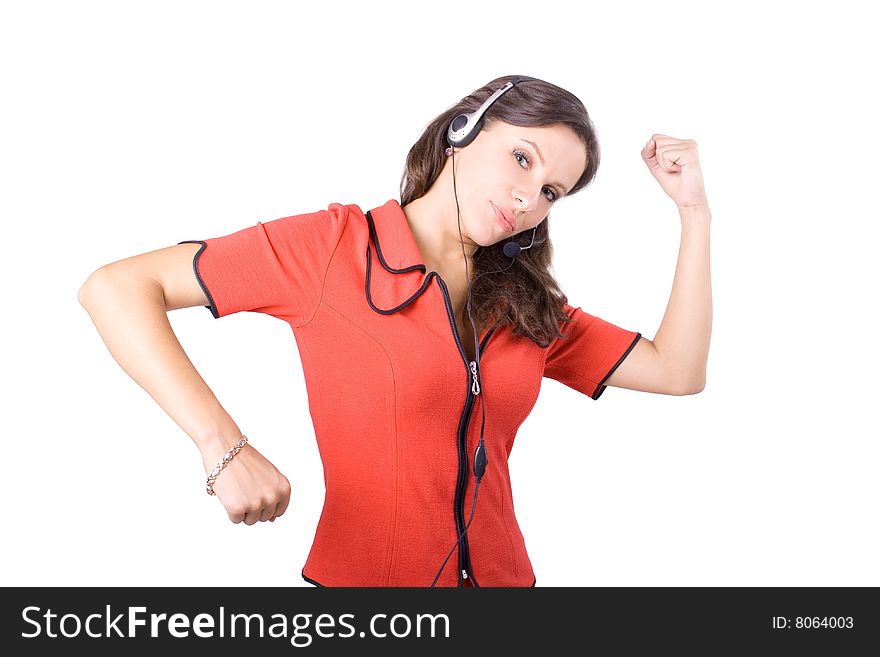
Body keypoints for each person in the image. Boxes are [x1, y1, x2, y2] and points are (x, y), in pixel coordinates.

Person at [78, 74, 712, 587]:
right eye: (521, 159)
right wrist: (222, 445)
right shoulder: (334, 248)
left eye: (550, 190)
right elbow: (117, 287)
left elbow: (676, 370)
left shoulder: (527, 309)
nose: (528, 198)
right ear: (461, 132)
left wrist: (693, 213)